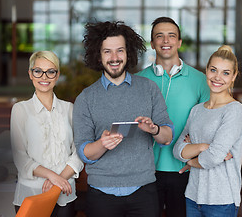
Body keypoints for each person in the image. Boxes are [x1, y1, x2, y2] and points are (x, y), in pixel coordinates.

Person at [73, 20, 174, 217]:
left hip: (144, 192)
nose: (114, 57)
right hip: (101, 194)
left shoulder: (149, 89)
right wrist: (103, 144)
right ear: (98, 55)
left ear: (129, 53)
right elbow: (84, 152)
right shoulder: (86, 98)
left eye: (120, 50)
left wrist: (154, 130)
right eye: (107, 51)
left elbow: (168, 136)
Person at [137, 16, 210, 217]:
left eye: (171, 36)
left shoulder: (201, 81)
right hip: (147, 172)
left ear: (179, 42)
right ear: (152, 44)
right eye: (159, 36)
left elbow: (208, 124)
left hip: (185, 170)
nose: (166, 41)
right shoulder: (138, 81)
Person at [173, 45, 242, 217]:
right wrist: (204, 147)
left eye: (225, 73)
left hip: (221, 200)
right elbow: (177, 150)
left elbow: (213, 157)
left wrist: (190, 161)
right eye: (213, 70)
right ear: (206, 70)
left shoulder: (234, 109)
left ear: (234, 76)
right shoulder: (196, 110)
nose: (217, 77)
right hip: (192, 196)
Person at [10, 51, 84, 217]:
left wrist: (58, 181)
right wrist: (54, 177)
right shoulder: (20, 110)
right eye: (38, 71)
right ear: (30, 74)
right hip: (31, 196)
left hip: (65, 195)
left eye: (51, 71)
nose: (44, 77)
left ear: (57, 76)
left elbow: (79, 152)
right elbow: (20, 158)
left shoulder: (69, 109)